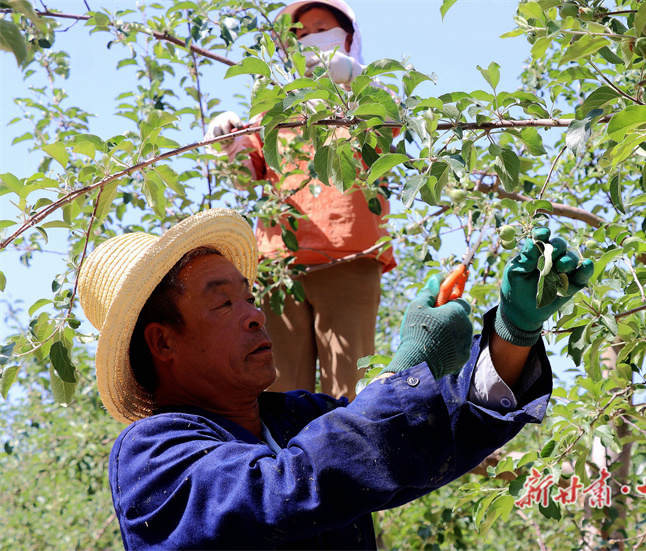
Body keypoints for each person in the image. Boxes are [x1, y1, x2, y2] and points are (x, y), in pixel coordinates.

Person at [76, 208, 594, 550]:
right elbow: (283, 489)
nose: (255, 315)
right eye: (223, 303)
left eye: (250, 298)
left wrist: (513, 332)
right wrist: (406, 373)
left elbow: (438, 432)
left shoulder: (300, 417)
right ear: (163, 342)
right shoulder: (152, 455)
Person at [203, 0, 392, 401]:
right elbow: (244, 176)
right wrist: (226, 142)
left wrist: (355, 77)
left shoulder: (363, 100)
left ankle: (348, 462)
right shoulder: (277, 108)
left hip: (348, 254)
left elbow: (394, 122)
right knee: (276, 386)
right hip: (277, 265)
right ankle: (285, 464)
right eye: (299, 34)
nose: (308, 38)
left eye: (320, 27)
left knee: (350, 389)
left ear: (347, 37)